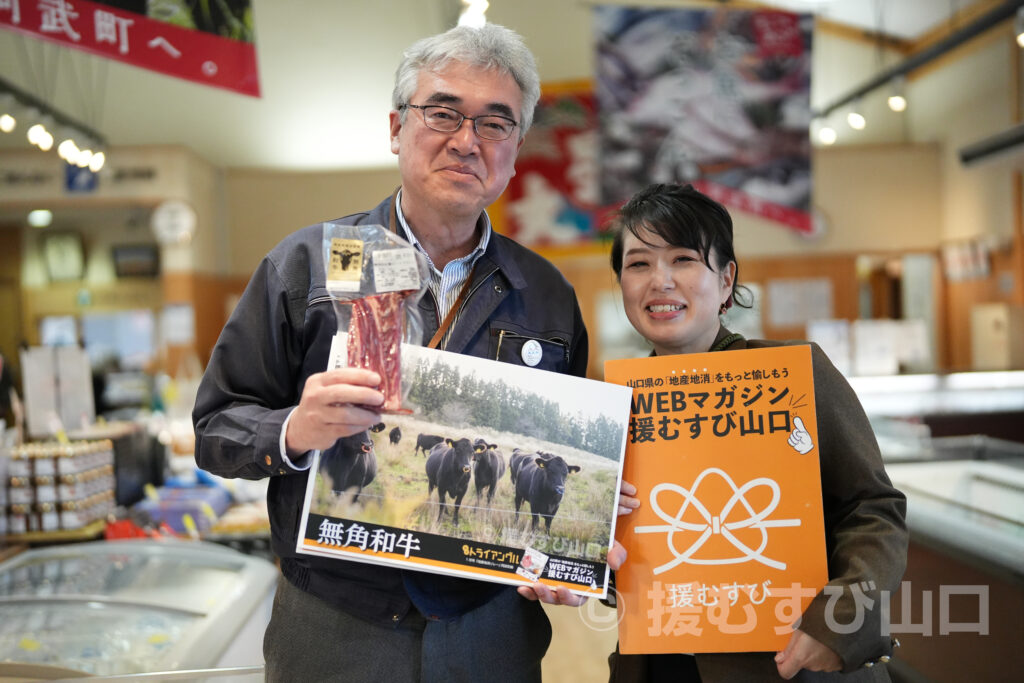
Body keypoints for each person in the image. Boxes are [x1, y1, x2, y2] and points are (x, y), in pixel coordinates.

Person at [193, 23, 593, 683]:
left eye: (497, 124)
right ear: (396, 126)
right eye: (443, 113)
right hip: (333, 622)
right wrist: (293, 428)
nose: (467, 141)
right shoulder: (305, 265)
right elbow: (216, 426)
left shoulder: (545, 293)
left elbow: (569, 458)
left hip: (490, 630)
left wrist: (569, 548)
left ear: (516, 149)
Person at [606, 183, 908, 682]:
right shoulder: (619, 404)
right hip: (659, 663)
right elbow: (620, 564)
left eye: (682, 259)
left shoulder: (795, 375)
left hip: (790, 664)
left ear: (726, 281)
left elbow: (873, 507)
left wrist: (840, 623)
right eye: (638, 264)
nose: (659, 280)